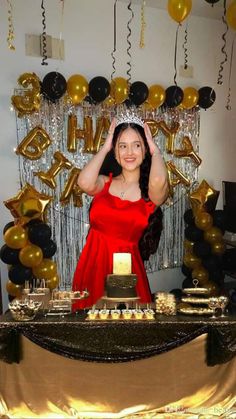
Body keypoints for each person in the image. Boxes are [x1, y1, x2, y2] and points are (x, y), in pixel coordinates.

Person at [72, 111, 169, 310]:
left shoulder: (149, 194)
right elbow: (83, 182)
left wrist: (156, 151)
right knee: (88, 330)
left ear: (144, 149)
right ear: (115, 153)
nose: (129, 152)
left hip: (124, 271)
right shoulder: (105, 183)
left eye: (137, 145)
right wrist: (107, 144)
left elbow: (159, 180)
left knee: (121, 330)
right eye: (122, 146)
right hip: (92, 265)